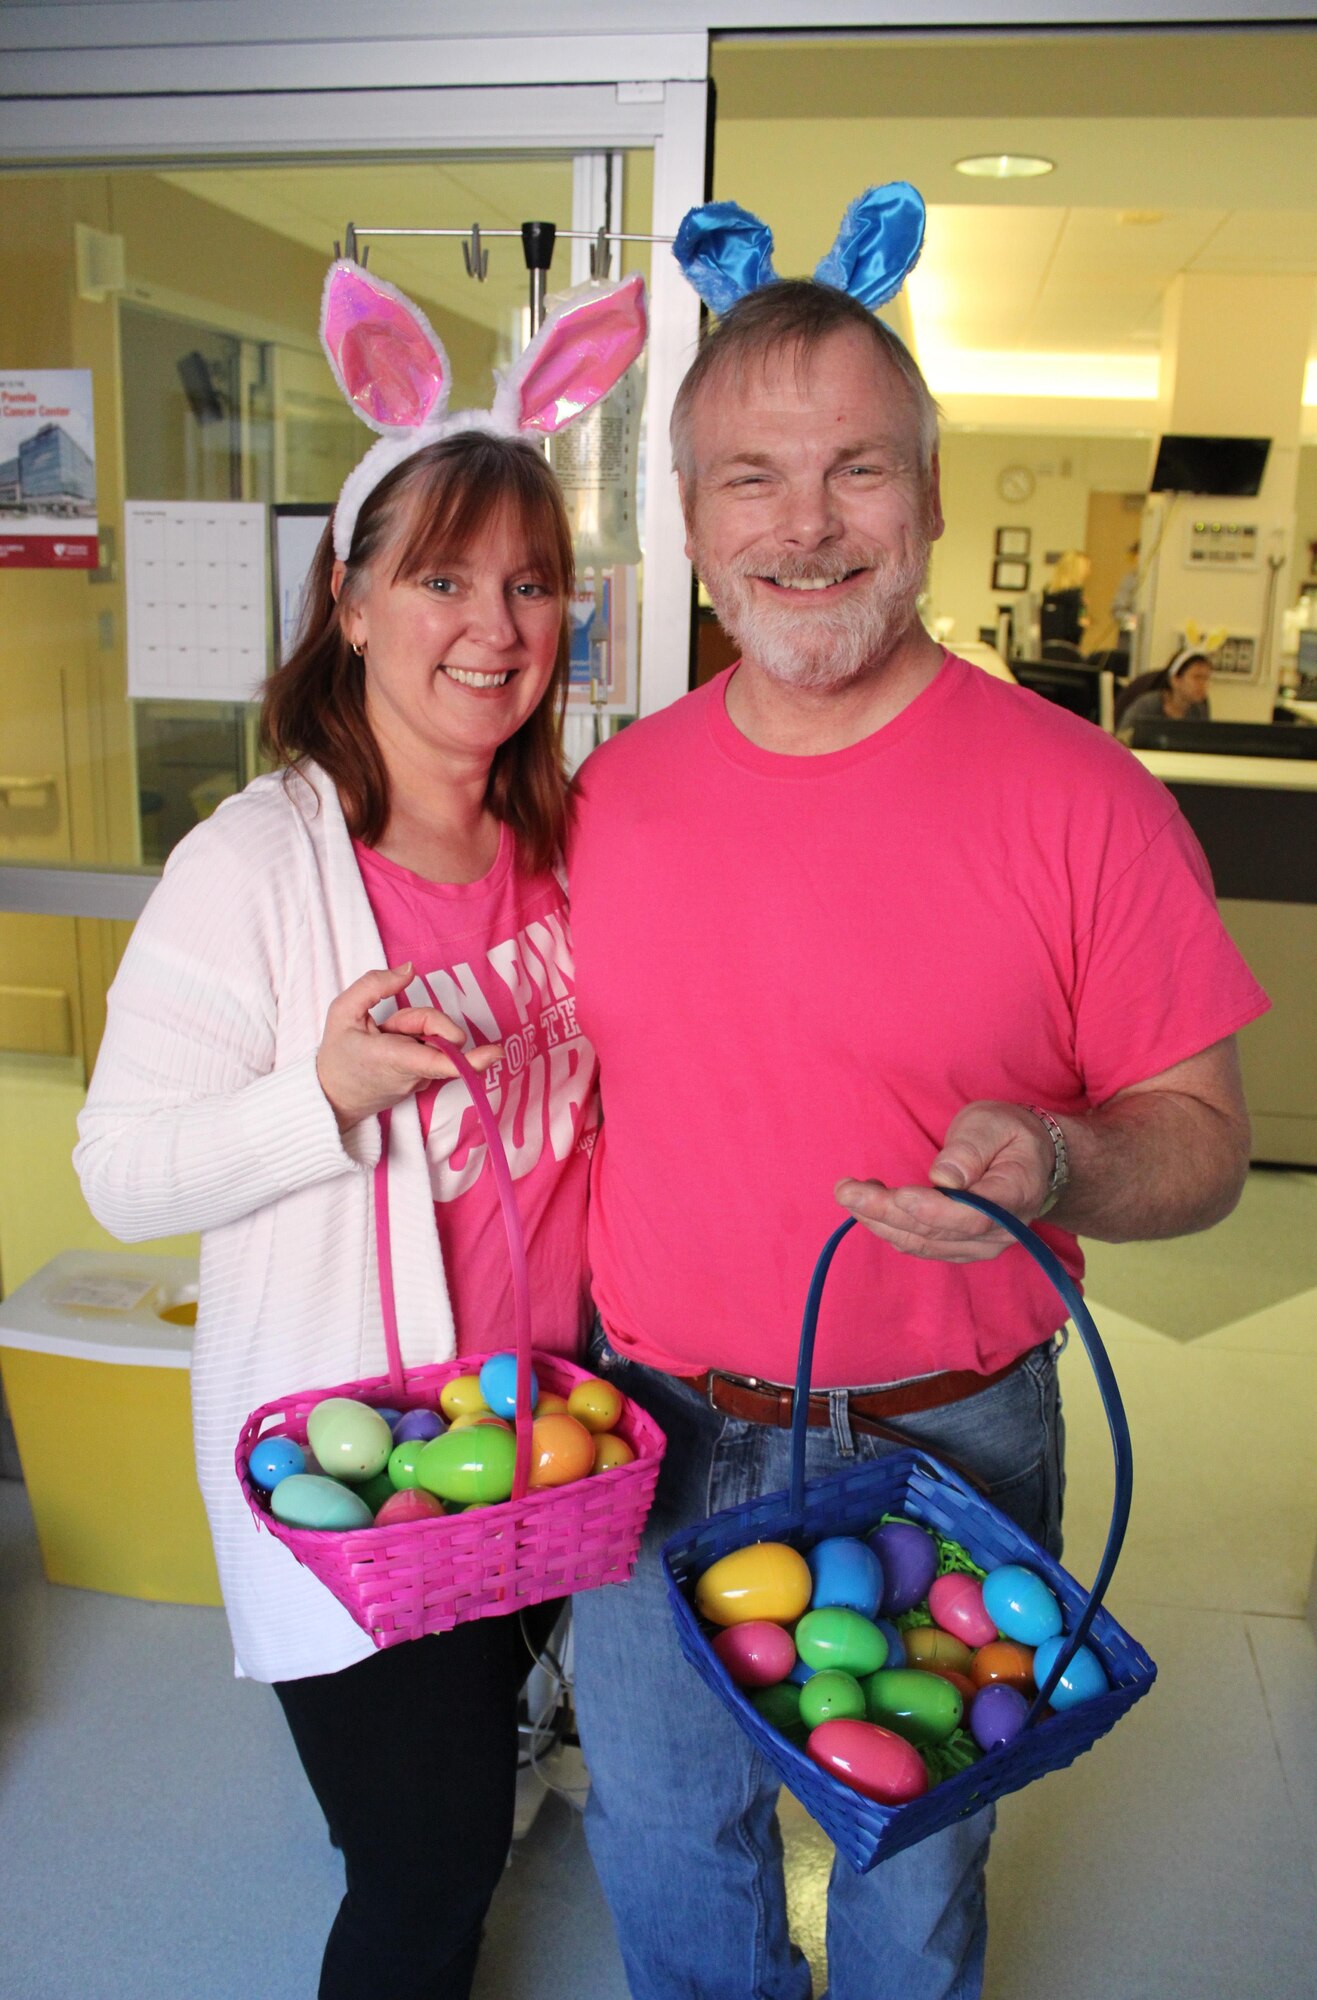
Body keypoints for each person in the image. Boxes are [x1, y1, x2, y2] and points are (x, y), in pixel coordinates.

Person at [565, 259, 1267, 2000]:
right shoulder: (611, 795)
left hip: (949, 1445)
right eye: (752, 476)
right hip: (644, 1434)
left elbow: (1200, 1139)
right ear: (691, 518)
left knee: (912, 1887)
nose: (805, 524)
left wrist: (1065, 1161)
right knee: (664, 1856)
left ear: (931, 497)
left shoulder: (1079, 798)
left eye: (856, 468)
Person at [74, 258, 645, 2000]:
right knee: (420, 1867)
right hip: (368, 1476)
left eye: (531, 584)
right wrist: (311, 1097)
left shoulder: (565, 838)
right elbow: (122, 1169)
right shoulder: (253, 866)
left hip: (547, 1453)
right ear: (347, 597)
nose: (494, 626)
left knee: (484, 1799)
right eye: (443, 578)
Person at [1116, 646, 1213, 739]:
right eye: (1197, 677)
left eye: (1206, 678)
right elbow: (1122, 737)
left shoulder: (1199, 711)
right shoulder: (1147, 706)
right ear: (1175, 680)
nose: (1203, 684)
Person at [1039, 548, 1090, 654]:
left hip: (1045, 647)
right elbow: (1075, 630)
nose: (1089, 572)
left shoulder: (1048, 592)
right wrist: (1083, 622)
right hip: (1067, 649)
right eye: (1087, 568)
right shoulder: (1076, 596)